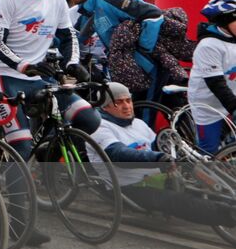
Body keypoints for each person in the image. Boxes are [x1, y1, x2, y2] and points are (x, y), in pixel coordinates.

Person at [0, 0, 99, 159]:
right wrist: (24, 65)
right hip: (6, 75)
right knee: (22, 147)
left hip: (38, 76)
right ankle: (15, 189)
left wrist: (73, 63)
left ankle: (48, 152)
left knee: (89, 119)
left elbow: (68, 36)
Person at [90, 83, 236, 227]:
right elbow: (118, 155)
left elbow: (157, 146)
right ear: (105, 107)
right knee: (177, 201)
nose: (126, 106)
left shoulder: (138, 124)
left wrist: (173, 149)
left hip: (159, 179)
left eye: (128, 100)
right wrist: (158, 159)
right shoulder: (100, 128)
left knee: (206, 184)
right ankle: (230, 216)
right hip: (128, 187)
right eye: (118, 103)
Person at [189, 0, 236, 153]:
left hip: (230, 100)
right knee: (209, 152)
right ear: (224, 22)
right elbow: (216, 84)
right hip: (208, 106)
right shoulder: (209, 45)